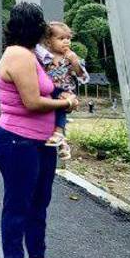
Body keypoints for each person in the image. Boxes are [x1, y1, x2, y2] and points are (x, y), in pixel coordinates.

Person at [0, 2, 78, 258]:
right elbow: (31, 102)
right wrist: (66, 103)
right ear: (35, 27)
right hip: (17, 141)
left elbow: (56, 83)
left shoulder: (35, 55)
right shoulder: (17, 55)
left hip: (41, 143)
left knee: (40, 201)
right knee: (18, 204)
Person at [37, 22, 89, 159]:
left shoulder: (70, 57)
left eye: (68, 38)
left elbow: (81, 75)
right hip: (49, 90)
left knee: (61, 105)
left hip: (64, 90)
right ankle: (63, 144)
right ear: (49, 41)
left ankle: (59, 134)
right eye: (61, 38)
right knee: (52, 112)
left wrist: (74, 61)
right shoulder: (44, 56)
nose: (66, 41)